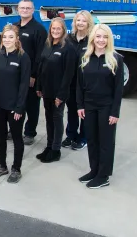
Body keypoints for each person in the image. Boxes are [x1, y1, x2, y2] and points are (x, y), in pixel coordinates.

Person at [77, 24, 125, 189]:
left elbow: (119, 89)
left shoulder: (115, 59)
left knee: (105, 142)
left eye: (105, 37)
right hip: (89, 106)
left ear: (109, 39)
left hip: (106, 107)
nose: (101, 40)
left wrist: (115, 112)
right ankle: (94, 170)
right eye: (98, 36)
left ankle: (103, 175)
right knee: (91, 139)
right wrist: (80, 105)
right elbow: (79, 84)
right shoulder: (85, 57)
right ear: (92, 38)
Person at [0, 24, 30, 183]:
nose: (7, 40)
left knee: (17, 138)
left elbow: (24, 85)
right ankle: (2, 165)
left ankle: (16, 168)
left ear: (17, 39)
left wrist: (19, 107)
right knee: (1, 135)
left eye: (11, 37)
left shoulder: (23, 57)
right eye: (4, 37)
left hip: (14, 107)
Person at [35, 17, 77, 163]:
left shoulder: (68, 48)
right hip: (46, 90)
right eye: (53, 29)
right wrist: (39, 86)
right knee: (48, 119)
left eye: (58, 29)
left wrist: (61, 94)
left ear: (63, 30)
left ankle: (56, 149)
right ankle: (49, 146)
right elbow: (41, 67)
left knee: (56, 119)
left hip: (58, 92)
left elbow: (68, 74)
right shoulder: (47, 44)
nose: (55, 31)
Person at [13, 0, 47, 145]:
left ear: (33, 10)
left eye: (28, 8)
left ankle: (30, 132)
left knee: (31, 105)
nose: (25, 10)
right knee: (15, 103)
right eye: (22, 8)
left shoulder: (39, 30)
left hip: (31, 76)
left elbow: (41, 55)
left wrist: (34, 75)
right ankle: (14, 129)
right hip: (13, 74)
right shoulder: (14, 28)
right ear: (18, 9)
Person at [64, 10, 94, 151]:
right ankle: (71, 135)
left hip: (86, 83)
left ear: (88, 23)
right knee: (72, 110)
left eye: (83, 21)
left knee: (85, 111)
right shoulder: (69, 38)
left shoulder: (92, 40)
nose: (80, 23)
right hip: (71, 82)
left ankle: (83, 137)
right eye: (78, 20)